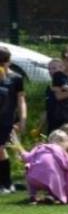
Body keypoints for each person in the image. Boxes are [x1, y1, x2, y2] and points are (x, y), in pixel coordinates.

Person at [22, 129, 68, 204]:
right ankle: (52, 195)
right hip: (49, 178)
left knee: (29, 169)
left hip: (33, 178)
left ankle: (32, 196)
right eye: (66, 142)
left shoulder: (40, 147)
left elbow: (28, 157)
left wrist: (23, 154)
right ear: (61, 141)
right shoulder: (60, 150)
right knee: (57, 174)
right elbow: (66, 165)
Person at [0, 46, 28, 194]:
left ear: (9, 62)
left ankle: (6, 183)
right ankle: (7, 183)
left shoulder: (16, 78)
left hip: (6, 120)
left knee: (0, 149)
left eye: (3, 62)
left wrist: (22, 119)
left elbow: (21, 100)